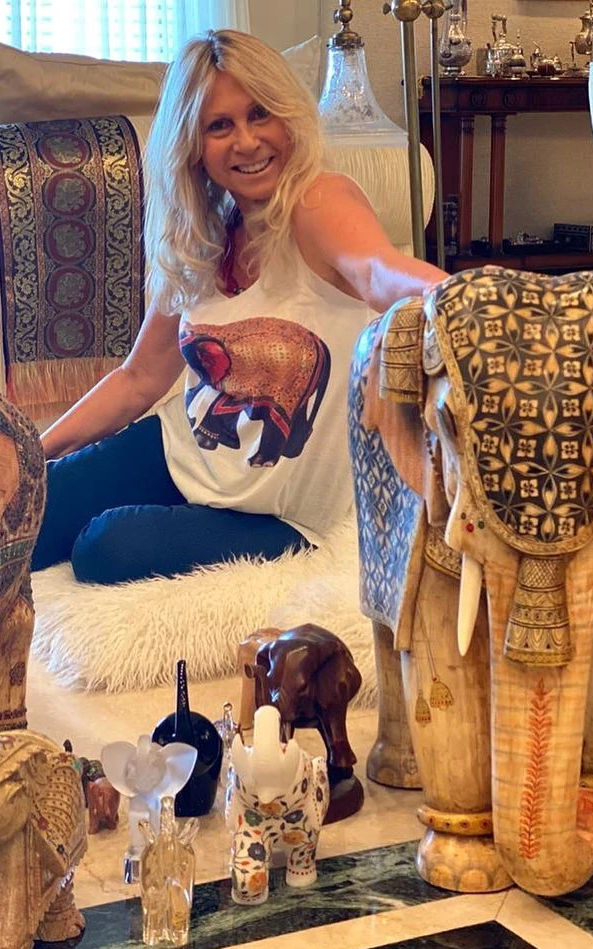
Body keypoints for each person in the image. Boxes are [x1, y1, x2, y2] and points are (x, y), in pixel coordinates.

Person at [32, 29, 447, 585]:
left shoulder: (317, 200)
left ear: (288, 117)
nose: (247, 142)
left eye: (260, 114)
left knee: (102, 548)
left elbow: (377, 271)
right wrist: (32, 454)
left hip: (285, 516)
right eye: (220, 126)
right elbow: (138, 380)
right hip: (181, 454)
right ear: (193, 145)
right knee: (18, 511)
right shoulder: (198, 235)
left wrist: (467, 296)